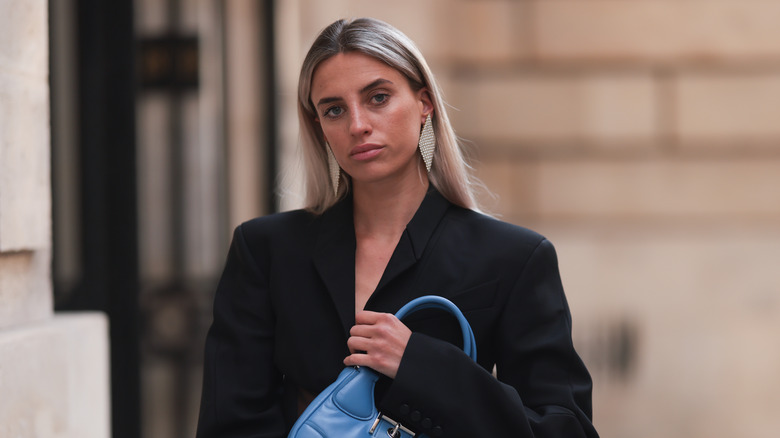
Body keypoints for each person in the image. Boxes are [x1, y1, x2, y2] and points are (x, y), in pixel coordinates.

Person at [196, 17, 598, 438]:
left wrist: (421, 364)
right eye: (334, 109)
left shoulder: (513, 258)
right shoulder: (265, 250)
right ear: (319, 127)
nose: (357, 125)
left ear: (423, 103)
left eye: (378, 98)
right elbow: (228, 424)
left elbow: (565, 429)